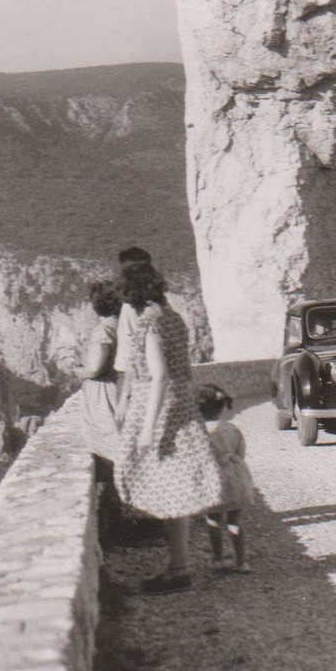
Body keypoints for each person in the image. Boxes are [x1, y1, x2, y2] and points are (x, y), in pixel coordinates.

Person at [115, 255, 222, 595]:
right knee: (176, 488)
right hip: (181, 404)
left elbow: (158, 376)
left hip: (158, 409)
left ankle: (179, 569)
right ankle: (180, 566)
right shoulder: (173, 318)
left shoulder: (148, 322)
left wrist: (148, 428)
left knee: (159, 484)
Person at [196, 384, 257, 574]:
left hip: (212, 481)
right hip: (236, 479)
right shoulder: (231, 428)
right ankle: (241, 562)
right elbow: (241, 452)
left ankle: (218, 558)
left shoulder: (198, 432)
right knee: (235, 520)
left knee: (213, 520)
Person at [78, 278, 123, 463]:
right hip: (119, 385)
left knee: (110, 439)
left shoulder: (103, 331)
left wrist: (78, 371)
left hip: (103, 394)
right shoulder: (122, 327)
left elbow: (95, 368)